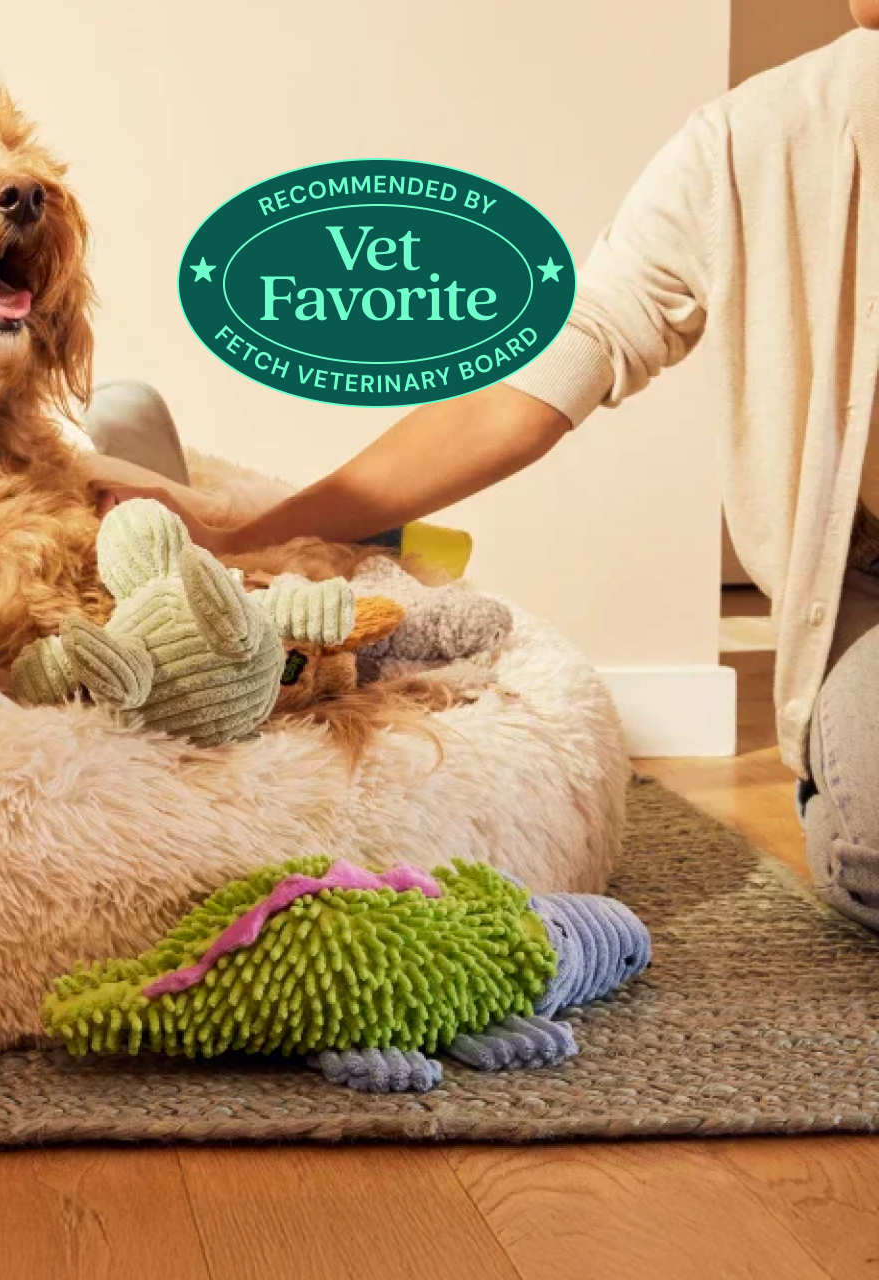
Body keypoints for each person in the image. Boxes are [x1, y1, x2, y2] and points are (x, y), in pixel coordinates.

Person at [84, 15, 879, 933]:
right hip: (867, 568)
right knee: (867, 865)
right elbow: (542, 375)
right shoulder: (755, 139)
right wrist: (241, 534)